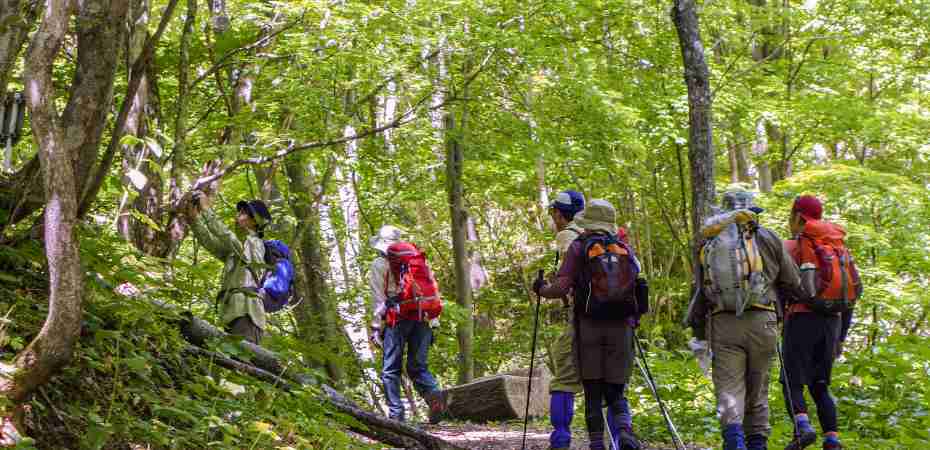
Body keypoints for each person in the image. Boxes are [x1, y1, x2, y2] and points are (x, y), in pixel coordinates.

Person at [686, 188, 805, 450]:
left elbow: (700, 289)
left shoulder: (708, 243)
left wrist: (699, 333)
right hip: (763, 320)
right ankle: (757, 445)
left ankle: (734, 444)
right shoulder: (767, 237)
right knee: (758, 391)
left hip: (723, 323)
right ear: (752, 210)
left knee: (729, 390)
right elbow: (793, 281)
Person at [535, 199, 641, 450]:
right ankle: (623, 434)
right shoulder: (623, 248)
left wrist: (541, 289)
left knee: (591, 390)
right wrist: (633, 319)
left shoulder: (577, 245)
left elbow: (561, 286)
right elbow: (639, 284)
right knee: (615, 388)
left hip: (588, 326)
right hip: (621, 326)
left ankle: (573, 441)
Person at [780, 196, 854, 450]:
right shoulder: (839, 247)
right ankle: (832, 440)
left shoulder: (793, 246)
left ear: (798, 216)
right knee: (820, 384)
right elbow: (850, 294)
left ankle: (803, 428)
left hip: (801, 318)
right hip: (833, 322)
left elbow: (781, 288)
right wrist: (842, 336)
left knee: (791, 380)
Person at [368, 225, 446, 424]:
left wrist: (376, 327)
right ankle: (434, 394)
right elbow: (430, 290)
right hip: (423, 317)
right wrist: (434, 322)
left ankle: (396, 415)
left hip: (397, 318)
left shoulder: (379, 264)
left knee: (390, 369)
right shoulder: (417, 260)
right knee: (417, 367)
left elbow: (378, 298)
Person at [187, 193, 270, 344]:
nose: (238, 215)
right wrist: (193, 219)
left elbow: (226, 236)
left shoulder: (254, 243)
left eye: (244, 213)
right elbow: (209, 241)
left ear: (255, 221)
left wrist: (206, 209)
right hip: (231, 311)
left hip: (247, 314)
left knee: (243, 362)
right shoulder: (236, 251)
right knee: (232, 360)